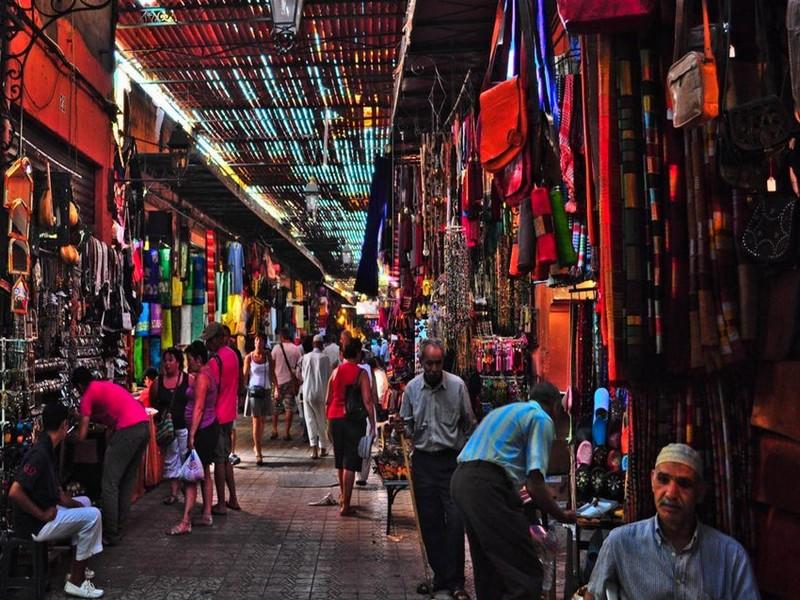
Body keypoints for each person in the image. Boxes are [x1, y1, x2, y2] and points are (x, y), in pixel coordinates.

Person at [584, 443, 759, 599]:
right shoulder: (620, 543)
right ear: (652, 480)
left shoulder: (731, 556)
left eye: (684, 484)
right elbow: (592, 595)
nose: (671, 493)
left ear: (700, 491)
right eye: (663, 480)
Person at [451, 381, 576, 600]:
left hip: (462, 481)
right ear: (556, 405)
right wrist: (562, 514)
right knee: (525, 572)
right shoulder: (541, 419)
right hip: (485, 487)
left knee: (490, 568)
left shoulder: (510, 410)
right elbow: (534, 483)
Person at [397, 338, 476, 600]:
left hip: (451, 462)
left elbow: (469, 423)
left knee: (455, 521)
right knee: (429, 522)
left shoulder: (457, 386)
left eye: (438, 363)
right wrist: (399, 428)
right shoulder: (411, 390)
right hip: (423, 463)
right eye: (429, 363)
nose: (433, 368)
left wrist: (466, 456)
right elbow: (407, 426)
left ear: (443, 363)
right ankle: (441, 575)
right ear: (421, 363)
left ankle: (456, 581)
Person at [10, 402, 104, 599]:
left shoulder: (47, 448)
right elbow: (15, 491)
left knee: (86, 502)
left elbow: (58, 494)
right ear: (63, 425)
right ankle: (75, 582)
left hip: (46, 512)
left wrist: (78, 505)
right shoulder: (40, 454)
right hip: (36, 523)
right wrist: (42, 514)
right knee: (93, 516)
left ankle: (78, 567)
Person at [73, 367, 150, 546]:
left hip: (128, 429)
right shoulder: (103, 386)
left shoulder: (87, 397)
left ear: (78, 386)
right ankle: (119, 527)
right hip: (143, 425)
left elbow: (82, 435)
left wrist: (67, 436)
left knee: (110, 483)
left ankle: (111, 532)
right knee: (126, 481)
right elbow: (110, 421)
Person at [166, 341, 221, 535]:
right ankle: (206, 514)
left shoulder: (202, 379)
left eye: (190, 360)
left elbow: (198, 407)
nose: (188, 364)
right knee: (204, 472)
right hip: (207, 428)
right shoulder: (205, 375)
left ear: (198, 359)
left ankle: (186, 521)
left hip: (202, 431)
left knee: (190, 477)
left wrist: (191, 435)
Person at [326, 338, 376, 516]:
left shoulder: (335, 371)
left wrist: (328, 423)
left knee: (340, 462)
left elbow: (328, 399)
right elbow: (368, 400)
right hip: (353, 421)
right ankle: (345, 505)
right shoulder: (361, 373)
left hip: (335, 419)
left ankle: (342, 496)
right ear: (357, 353)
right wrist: (373, 424)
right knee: (350, 463)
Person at [200, 322, 241, 515]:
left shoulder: (215, 362)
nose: (207, 345)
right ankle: (233, 498)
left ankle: (222, 503)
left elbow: (211, 389)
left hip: (217, 415)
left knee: (219, 460)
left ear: (217, 339)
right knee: (226, 460)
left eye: (209, 341)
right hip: (230, 413)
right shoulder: (233, 355)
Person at [150, 347, 191, 506]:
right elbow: (154, 403)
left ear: (178, 362)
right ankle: (174, 492)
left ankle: (188, 490)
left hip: (184, 427)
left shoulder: (188, 380)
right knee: (171, 460)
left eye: (170, 360)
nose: (167, 364)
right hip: (168, 430)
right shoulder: (157, 382)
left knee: (185, 458)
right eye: (165, 360)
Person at [243, 333, 276, 466]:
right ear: (254, 342)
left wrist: (276, 387)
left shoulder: (268, 356)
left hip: (266, 389)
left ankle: (257, 444)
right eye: (257, 340)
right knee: (256, 421)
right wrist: (242, 389)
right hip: (254, 391)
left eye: (261, 340)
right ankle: (259, 453)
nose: (259, 343)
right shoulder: (249, 357)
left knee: (262, 420)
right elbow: (245, 374)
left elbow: (272, 373)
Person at [300, 334, 332, 459]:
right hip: (321, 392)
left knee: (310, 420)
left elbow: (302, 375)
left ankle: (314, 449)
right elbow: (329, 377)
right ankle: (323, 448)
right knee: (321, 421)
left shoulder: (305, 357)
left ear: (313, 344)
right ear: (321, 344)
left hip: (307, 392)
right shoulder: (325, 358)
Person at [271, 326, 302, 441]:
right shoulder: (296, 349)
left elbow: (272, 366)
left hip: (278, 381)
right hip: (290, 381)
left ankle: (274, 430)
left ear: (281, 336)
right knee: (289, 408)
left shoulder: (276, 349)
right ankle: (287, 433)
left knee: (276, 407)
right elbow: (300, 365)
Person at [222, 325, 244, 465]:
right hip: (221, 397)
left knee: (232, 426)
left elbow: (241, 374)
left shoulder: (235, 353)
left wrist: (241, 392)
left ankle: (231, 452)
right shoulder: (215, 354)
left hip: (232, 395)